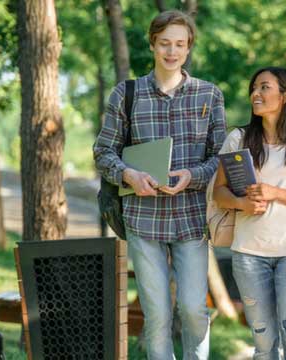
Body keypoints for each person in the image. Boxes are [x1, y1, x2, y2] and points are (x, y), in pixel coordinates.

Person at [93, 10, 225, 359]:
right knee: (157, 316)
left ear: (188, 47)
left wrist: (192, 177)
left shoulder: (209, 95)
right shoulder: (127, 94)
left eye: (179, 44)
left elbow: (220, 158)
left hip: (191, 219)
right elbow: (103, 151)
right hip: (143, 220)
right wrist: (129, 175)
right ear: (152, 44)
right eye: (165, 43)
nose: (171, 51)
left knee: (195, 310)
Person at [212, 67, 286, 360]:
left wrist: (274, 193)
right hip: (249, 253)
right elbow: (219, 193)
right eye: (254, 88)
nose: (256, 94)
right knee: (263, 341)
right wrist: (243, 205)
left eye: (264, 87)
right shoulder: (237, 138)